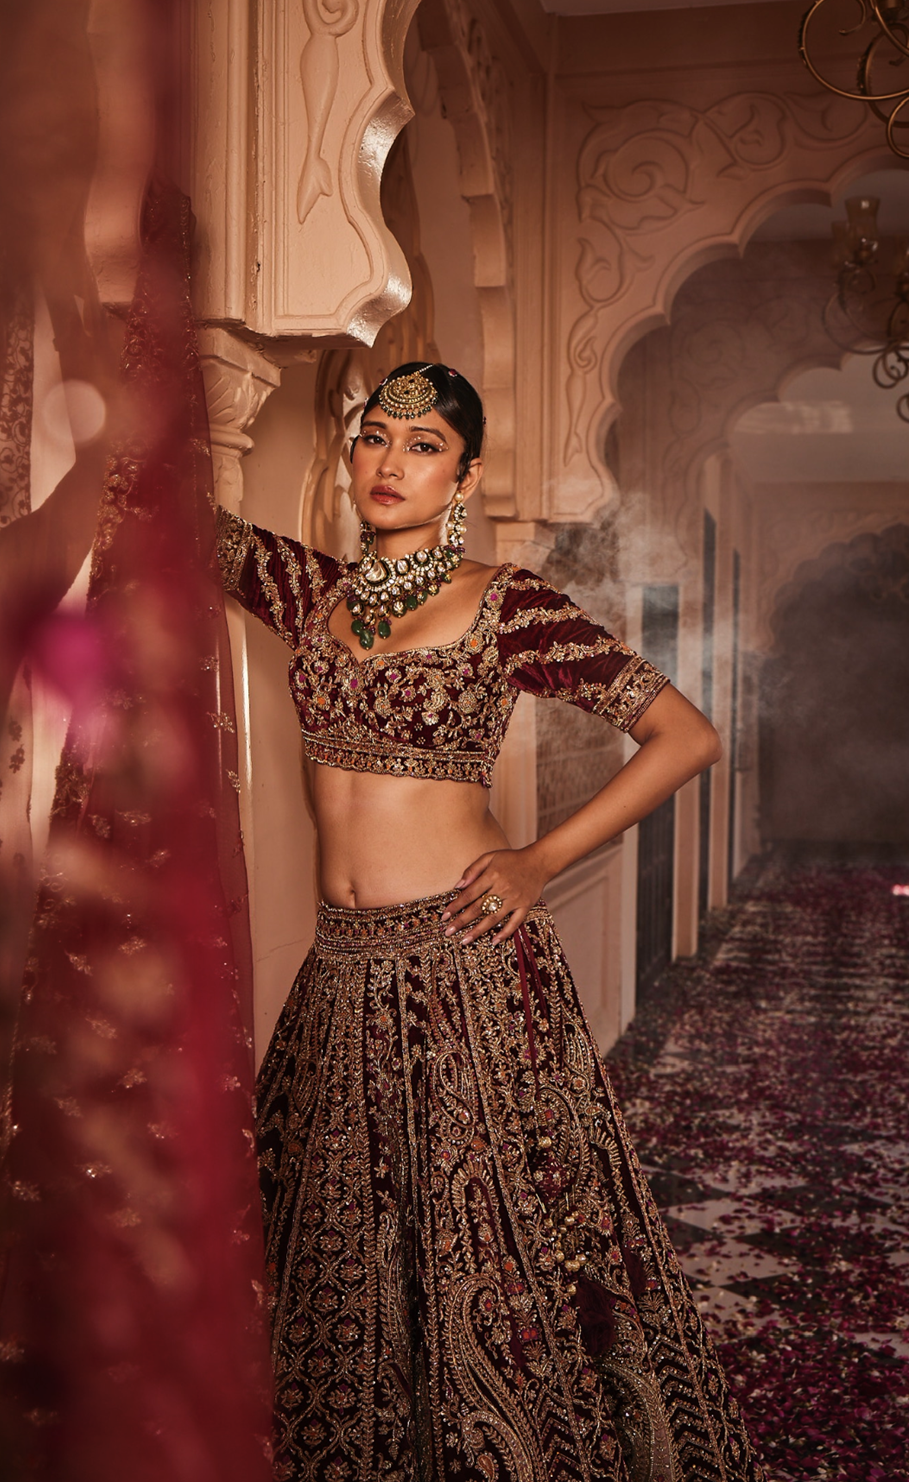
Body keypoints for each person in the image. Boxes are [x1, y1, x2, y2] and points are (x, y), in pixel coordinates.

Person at [216, 362, 765, 1481]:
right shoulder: (306, 591)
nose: (389, 462)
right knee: (337, 1253)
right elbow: (172, 518)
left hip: (467, 963)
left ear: (463, 476)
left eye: (423, 446)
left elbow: (685, 736)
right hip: (340, 971)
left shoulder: (505, 605)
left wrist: (538, 861)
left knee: (487, 1246)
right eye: (376, 436)